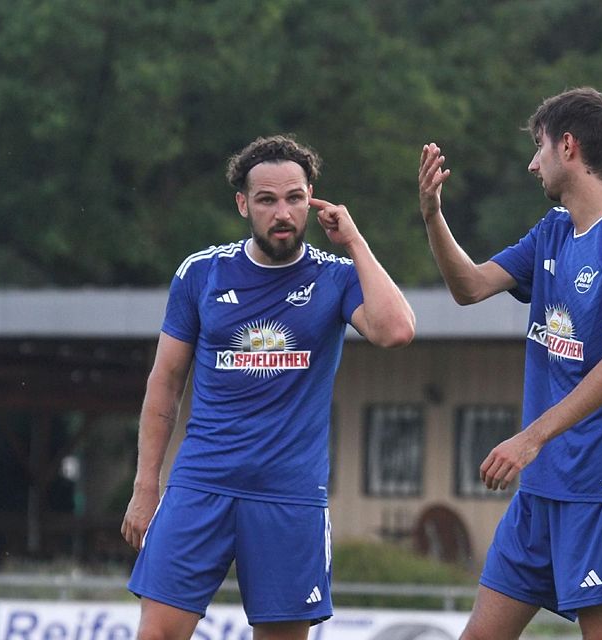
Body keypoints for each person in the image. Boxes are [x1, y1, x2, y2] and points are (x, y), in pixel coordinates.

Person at [122, 134, 416, 640]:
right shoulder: (201, 274)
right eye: (267, 199)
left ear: (312, 199)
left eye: (295, 198)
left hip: (290, 495)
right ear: (243, 204)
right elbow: (165, 384)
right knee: (158, 633)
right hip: (201, 484)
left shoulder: (337, 277)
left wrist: (355, 241)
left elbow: (396, 331)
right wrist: (146, 485)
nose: (283, 212)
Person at [418, 87, 602, 639]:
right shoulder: (552, 231)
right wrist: (434, 217)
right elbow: (469, 286)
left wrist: (529, 438)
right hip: (541, 492)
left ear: (569, 146)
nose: (533, 163)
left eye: (540, 147)